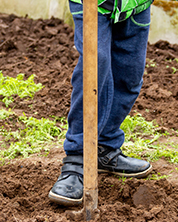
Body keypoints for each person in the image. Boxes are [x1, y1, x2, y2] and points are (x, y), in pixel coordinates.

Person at [48, 0, 154, 206]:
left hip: (136, 5)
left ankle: (104, 147)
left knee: (129, 76)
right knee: (95, 67)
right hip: (94, 3)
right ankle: (77, 159)